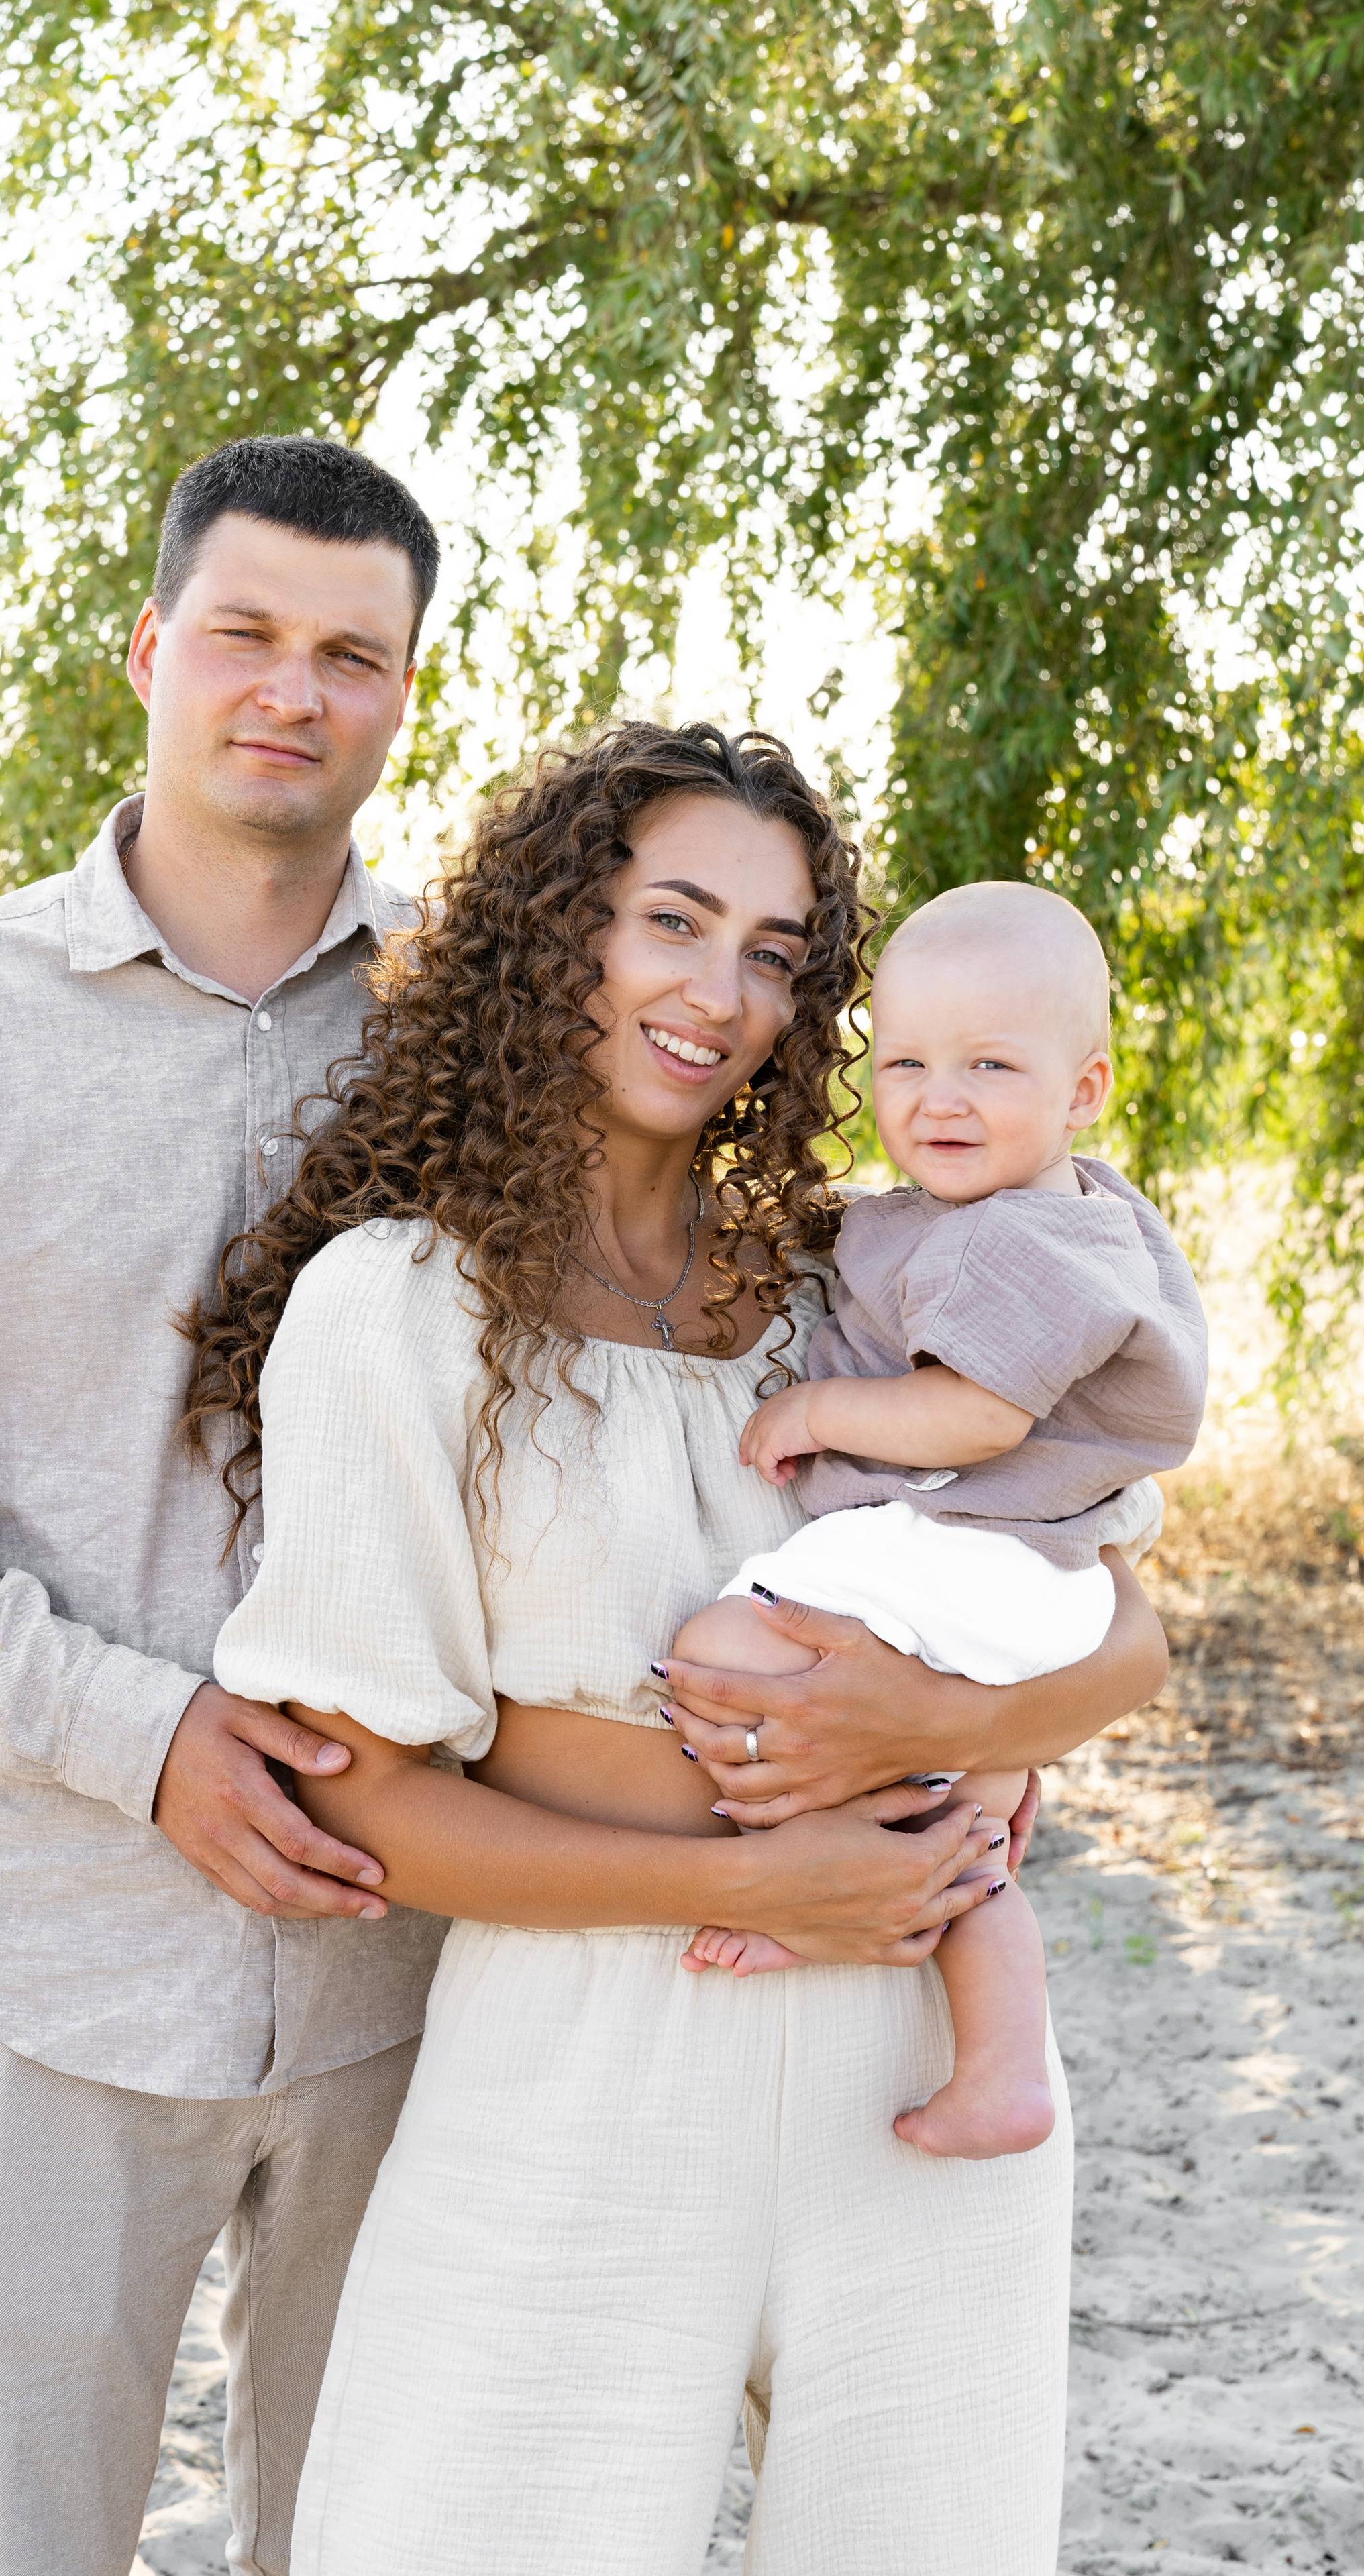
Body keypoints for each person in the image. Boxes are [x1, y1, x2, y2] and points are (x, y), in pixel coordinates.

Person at [194, 723, 1170, 2576]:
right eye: (674, 921)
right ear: (560, 934)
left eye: (781, 953)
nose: (721, 994)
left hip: (915, 2043)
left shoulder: (861, 1284)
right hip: (578, 2064)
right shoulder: (394, 1310)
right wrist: (757, 1877)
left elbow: (1131, 1632)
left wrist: (920, 1717)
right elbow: (369, 1808)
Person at [0, 436, 456, 2576]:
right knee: (22, 2540)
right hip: (38, 1941)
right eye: (244, 633)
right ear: (151, 649)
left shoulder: (471, 1043)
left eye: (354, 654)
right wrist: (139, 1743)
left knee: (377, 2536)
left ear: (407, 696)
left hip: (407, 1967)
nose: (291, 692)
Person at [676, 881, 1207, 2161]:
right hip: (1028, 1568)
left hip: (984, 1551)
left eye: (989, 1064)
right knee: (961, 1821)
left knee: (729, 1654)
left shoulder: (1033, 1239)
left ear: (1084, 1091)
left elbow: (975, 1419)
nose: (939, 1097)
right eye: (905, 1061)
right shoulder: (1018, 1207)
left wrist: (818, 1415)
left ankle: (812, 1902)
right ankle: (1005, 2066)